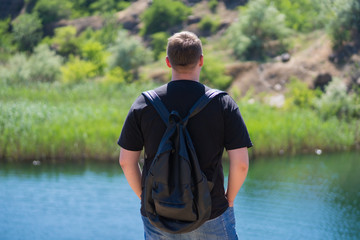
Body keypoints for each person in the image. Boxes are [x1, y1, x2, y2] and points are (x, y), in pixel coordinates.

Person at [118, 31, 252, 239]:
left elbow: (126, 162)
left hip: (158, 213)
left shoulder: (144, 104)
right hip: (211, 211)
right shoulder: (222, 104)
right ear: (201, 60)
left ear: (168, 62)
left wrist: (147, 198)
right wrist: (229, 199)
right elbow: (241, 164)